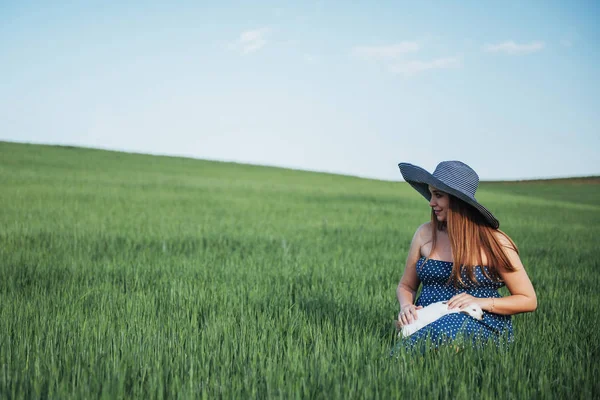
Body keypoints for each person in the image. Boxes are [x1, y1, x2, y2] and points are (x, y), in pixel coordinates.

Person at [394, 160, 537, 351]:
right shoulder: (424, 234)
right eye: (431, 194)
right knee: (428, 339)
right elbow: (406, 286)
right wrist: (406, 306)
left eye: (438, 195)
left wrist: (479, 302)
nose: (431, 202)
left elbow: (528, 299)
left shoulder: (496, 243)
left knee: (444, 331)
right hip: (426, 319)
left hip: (478, 322)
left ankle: (397, 359)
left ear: (456, 200)